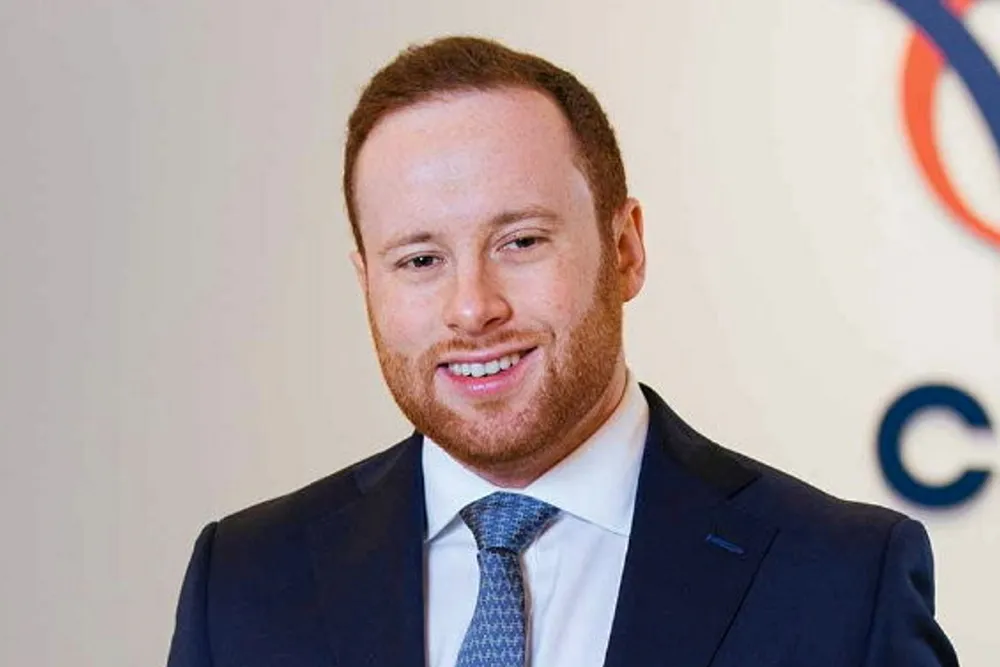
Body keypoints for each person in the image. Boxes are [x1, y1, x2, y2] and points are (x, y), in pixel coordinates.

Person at [167, 36, 958, 667]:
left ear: (626, 250)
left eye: (520, 241)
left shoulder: (839, 580)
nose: (473, 307)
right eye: (420, 259)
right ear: (366, 281)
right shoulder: (244, 581)